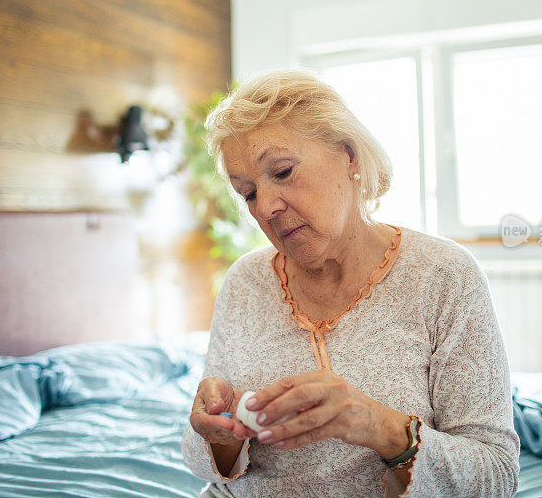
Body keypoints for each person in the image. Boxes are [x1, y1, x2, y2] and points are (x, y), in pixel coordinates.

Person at [181, 67, 520, 497]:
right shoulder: (245, 281)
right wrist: (218, 433)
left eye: (282, 172)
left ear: (349, 155)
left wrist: (379, 426)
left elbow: (496, 476)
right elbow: (203, 465)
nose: (265, 207)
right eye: (247, 192)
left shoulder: (443, 275)